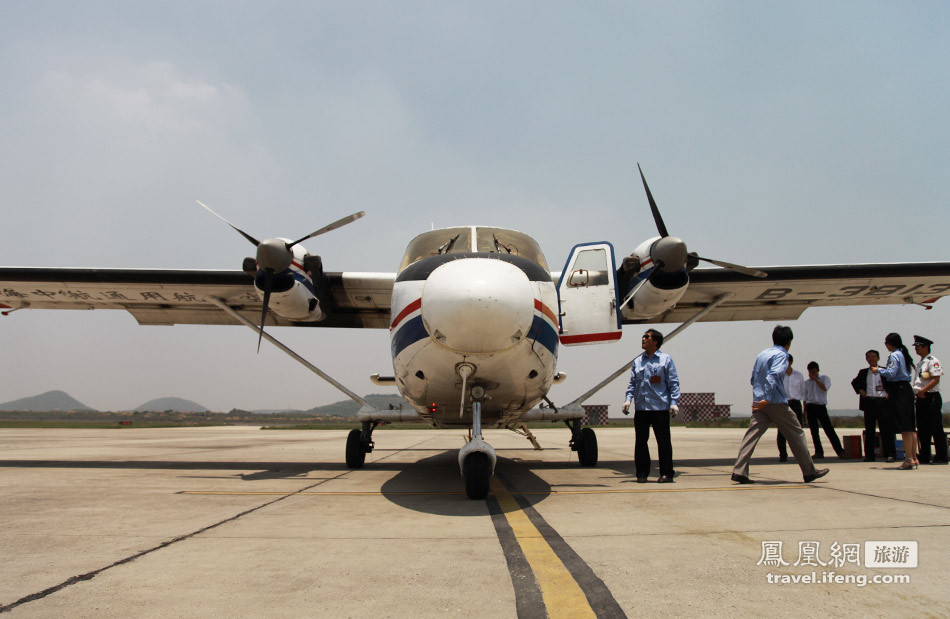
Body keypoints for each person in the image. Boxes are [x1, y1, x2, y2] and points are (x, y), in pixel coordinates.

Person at [732, 325, 829, 484]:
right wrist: (767, 397)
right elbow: (774, 375)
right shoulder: (782, 355)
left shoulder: (762, 354)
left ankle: (739, 470)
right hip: (774, 401)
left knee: (751, 436)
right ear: (789, 342)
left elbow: (753, 378)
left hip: (759, 403)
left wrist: (760, 397)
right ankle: (809, 471)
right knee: (796, 433)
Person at [622, 328, 680, 483]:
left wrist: (674, 403)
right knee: (640, 442)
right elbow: (632, 383)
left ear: (655, 341)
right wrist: (628, 399)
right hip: (641, 408)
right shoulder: (637, 361)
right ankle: (642, 473)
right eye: (643, 336)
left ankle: (667, 473)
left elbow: (673, 383)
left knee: (663, 442)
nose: (643, 339)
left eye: (646, 337)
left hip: (659, 408)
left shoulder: (666, 360)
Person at [874, 332, 917, 469]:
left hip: (898, 391)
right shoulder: (903, 353)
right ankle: (912, 456)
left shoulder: (894, 355)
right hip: (906, 389)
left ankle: (908, 458)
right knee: (910, 426)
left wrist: (879, 370)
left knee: (904, 426)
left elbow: (891, 373)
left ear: (889, 343)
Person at [850, 350, 896, 462]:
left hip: (882, 402)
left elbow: (892, 383)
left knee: (886, 430)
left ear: (878, 358)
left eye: (873, 357)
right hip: (869, 402)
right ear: (866, 359)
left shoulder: (885, 371)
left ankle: (890, 454)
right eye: (869, 357)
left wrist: (889, 394)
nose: (871, 359)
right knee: (869, 430)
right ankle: (870, 455)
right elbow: (854, 382)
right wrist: (861, 390)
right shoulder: (863, 372)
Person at [911, 335, 947, 465]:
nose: (916, 349)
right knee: (923, 428)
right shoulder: (921, 362)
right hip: (921, 398)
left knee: (936, 427)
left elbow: (936, 379)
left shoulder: (932, 361)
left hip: (930, 396)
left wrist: (923, 390)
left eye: (918, 347)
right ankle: (925, 455)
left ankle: (942, 456)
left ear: (926, 347)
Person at [803, 361, 846, 459]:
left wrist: (816, 380)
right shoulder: (806, 383)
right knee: (814, 432)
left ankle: (840, 451)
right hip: (810, 407)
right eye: (810, 371)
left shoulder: (825, 378)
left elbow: (825, 388)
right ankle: (818, 452)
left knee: (829, 429)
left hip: (820, 406)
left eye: (814, 371)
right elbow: (805, 398)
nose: (812, 373)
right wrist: (804, 412)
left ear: (818, 370)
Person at [776, 354, 805, 462]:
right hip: (783, 403)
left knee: (798, 430)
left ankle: (802, 455)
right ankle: (783, 455)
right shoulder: (779, 375)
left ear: (791, 362)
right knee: (782, 430)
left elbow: (802, 391)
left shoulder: (798, 375)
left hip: (795, 402)